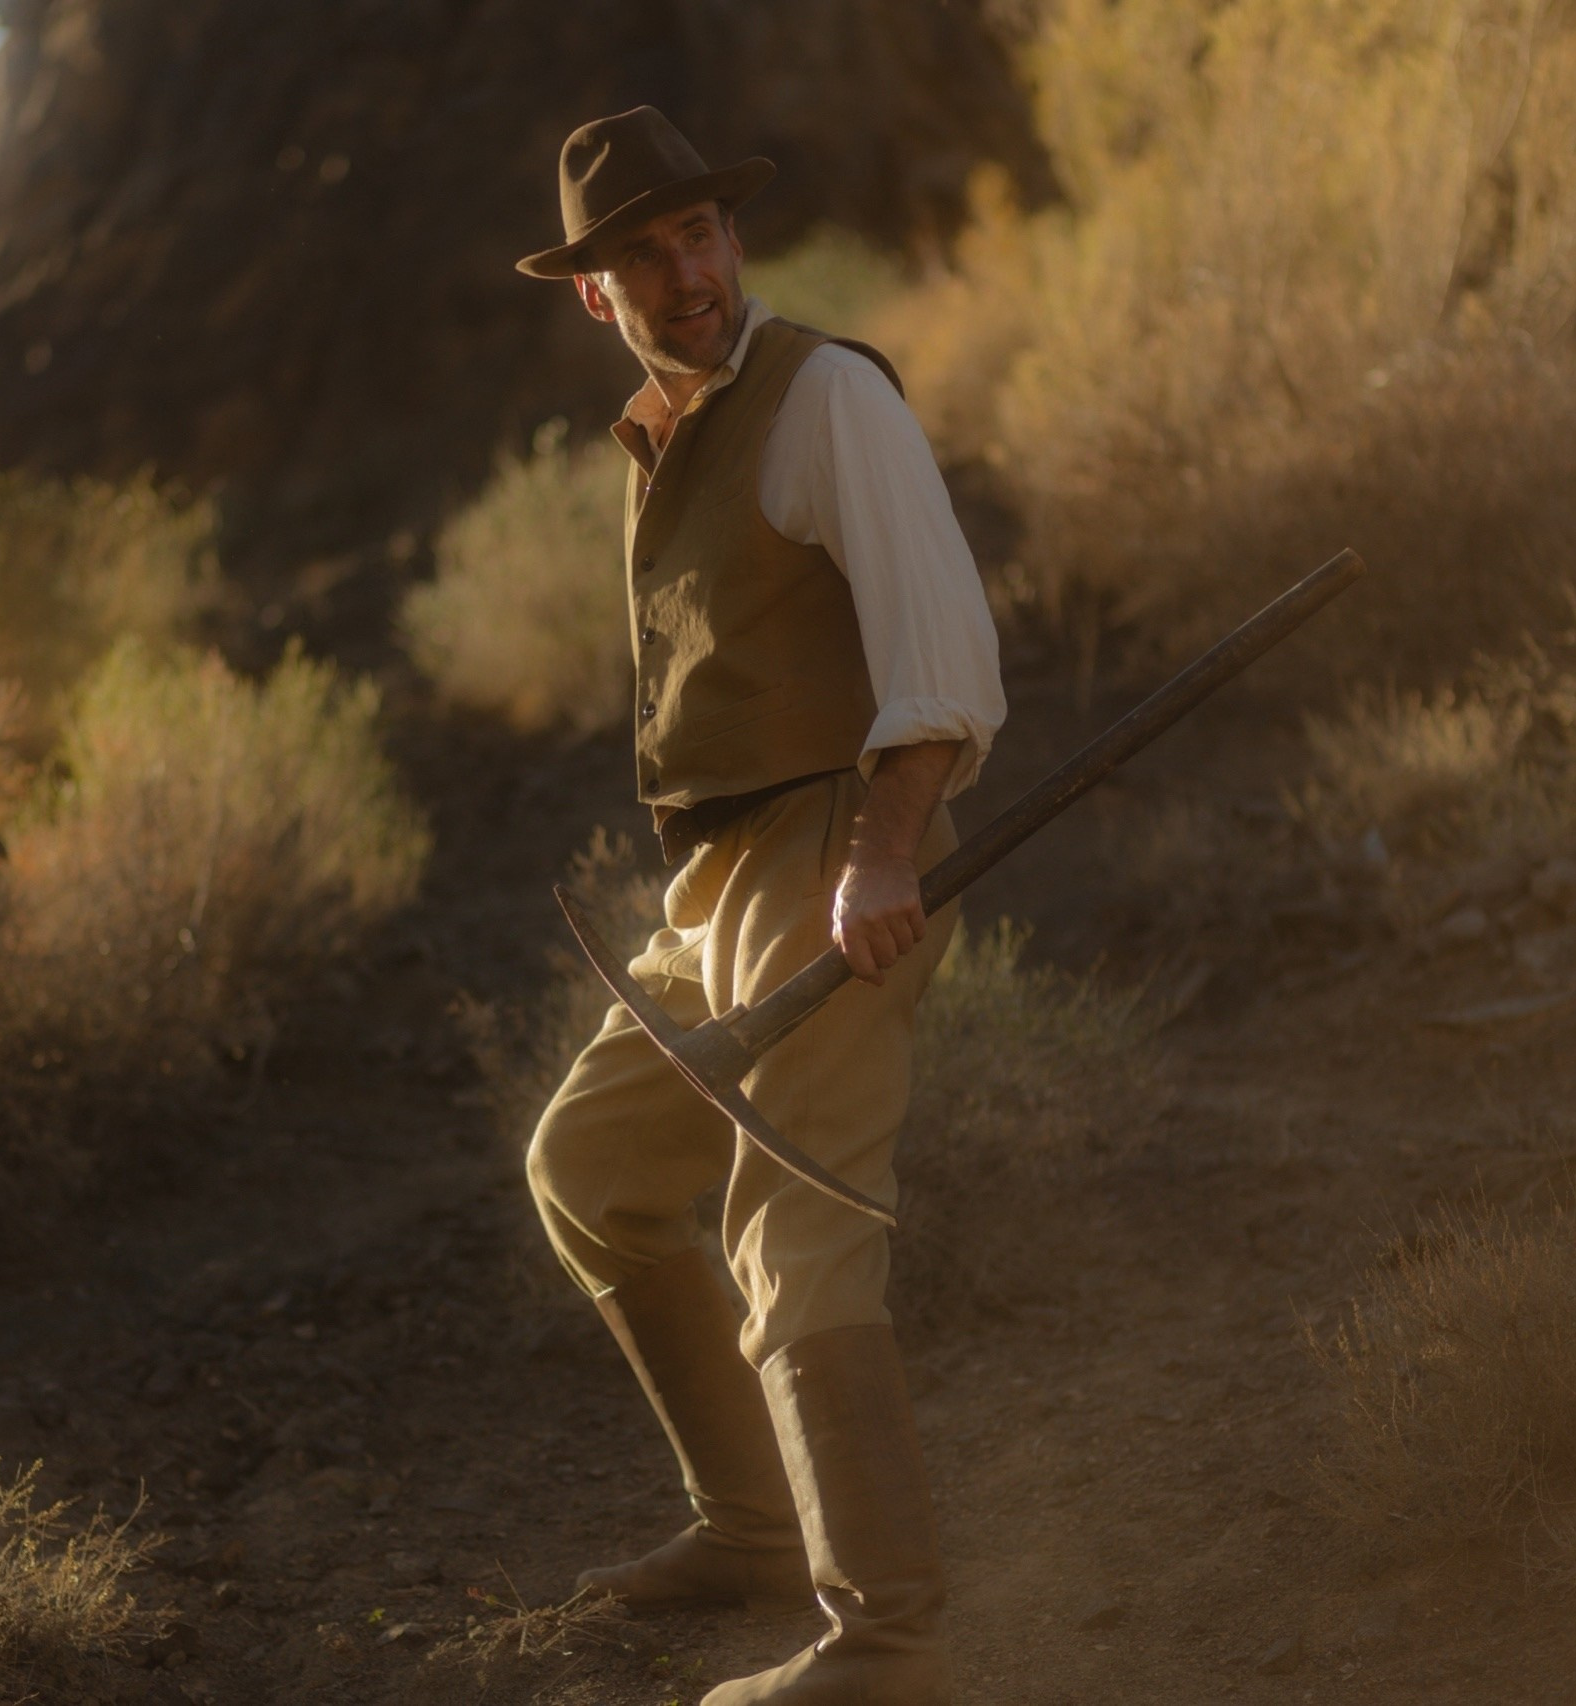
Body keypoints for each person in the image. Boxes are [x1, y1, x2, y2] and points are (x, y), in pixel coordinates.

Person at [514, 106, 1007, 1704]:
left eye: (701, 234)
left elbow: (939, 643)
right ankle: (749, 1526)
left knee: (796, 1226)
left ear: (734, 237)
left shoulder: (825, 396)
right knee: (589, 1168)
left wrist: (883, 848)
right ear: (598, 293)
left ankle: (886, 1642)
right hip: (712, 887)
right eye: (646, 256)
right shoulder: (665, 435)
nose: (689, 272)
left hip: (828, 852)